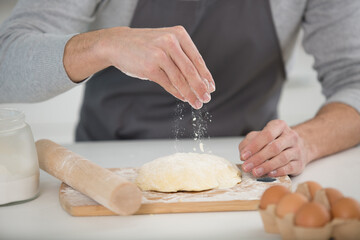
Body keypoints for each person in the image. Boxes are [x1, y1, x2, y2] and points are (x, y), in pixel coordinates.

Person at [0, 0, 360, 178]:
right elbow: (7, 60)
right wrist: (102, 45)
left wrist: (304, 142)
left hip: (250, 174)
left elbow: (354, 79)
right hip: (107, 174)